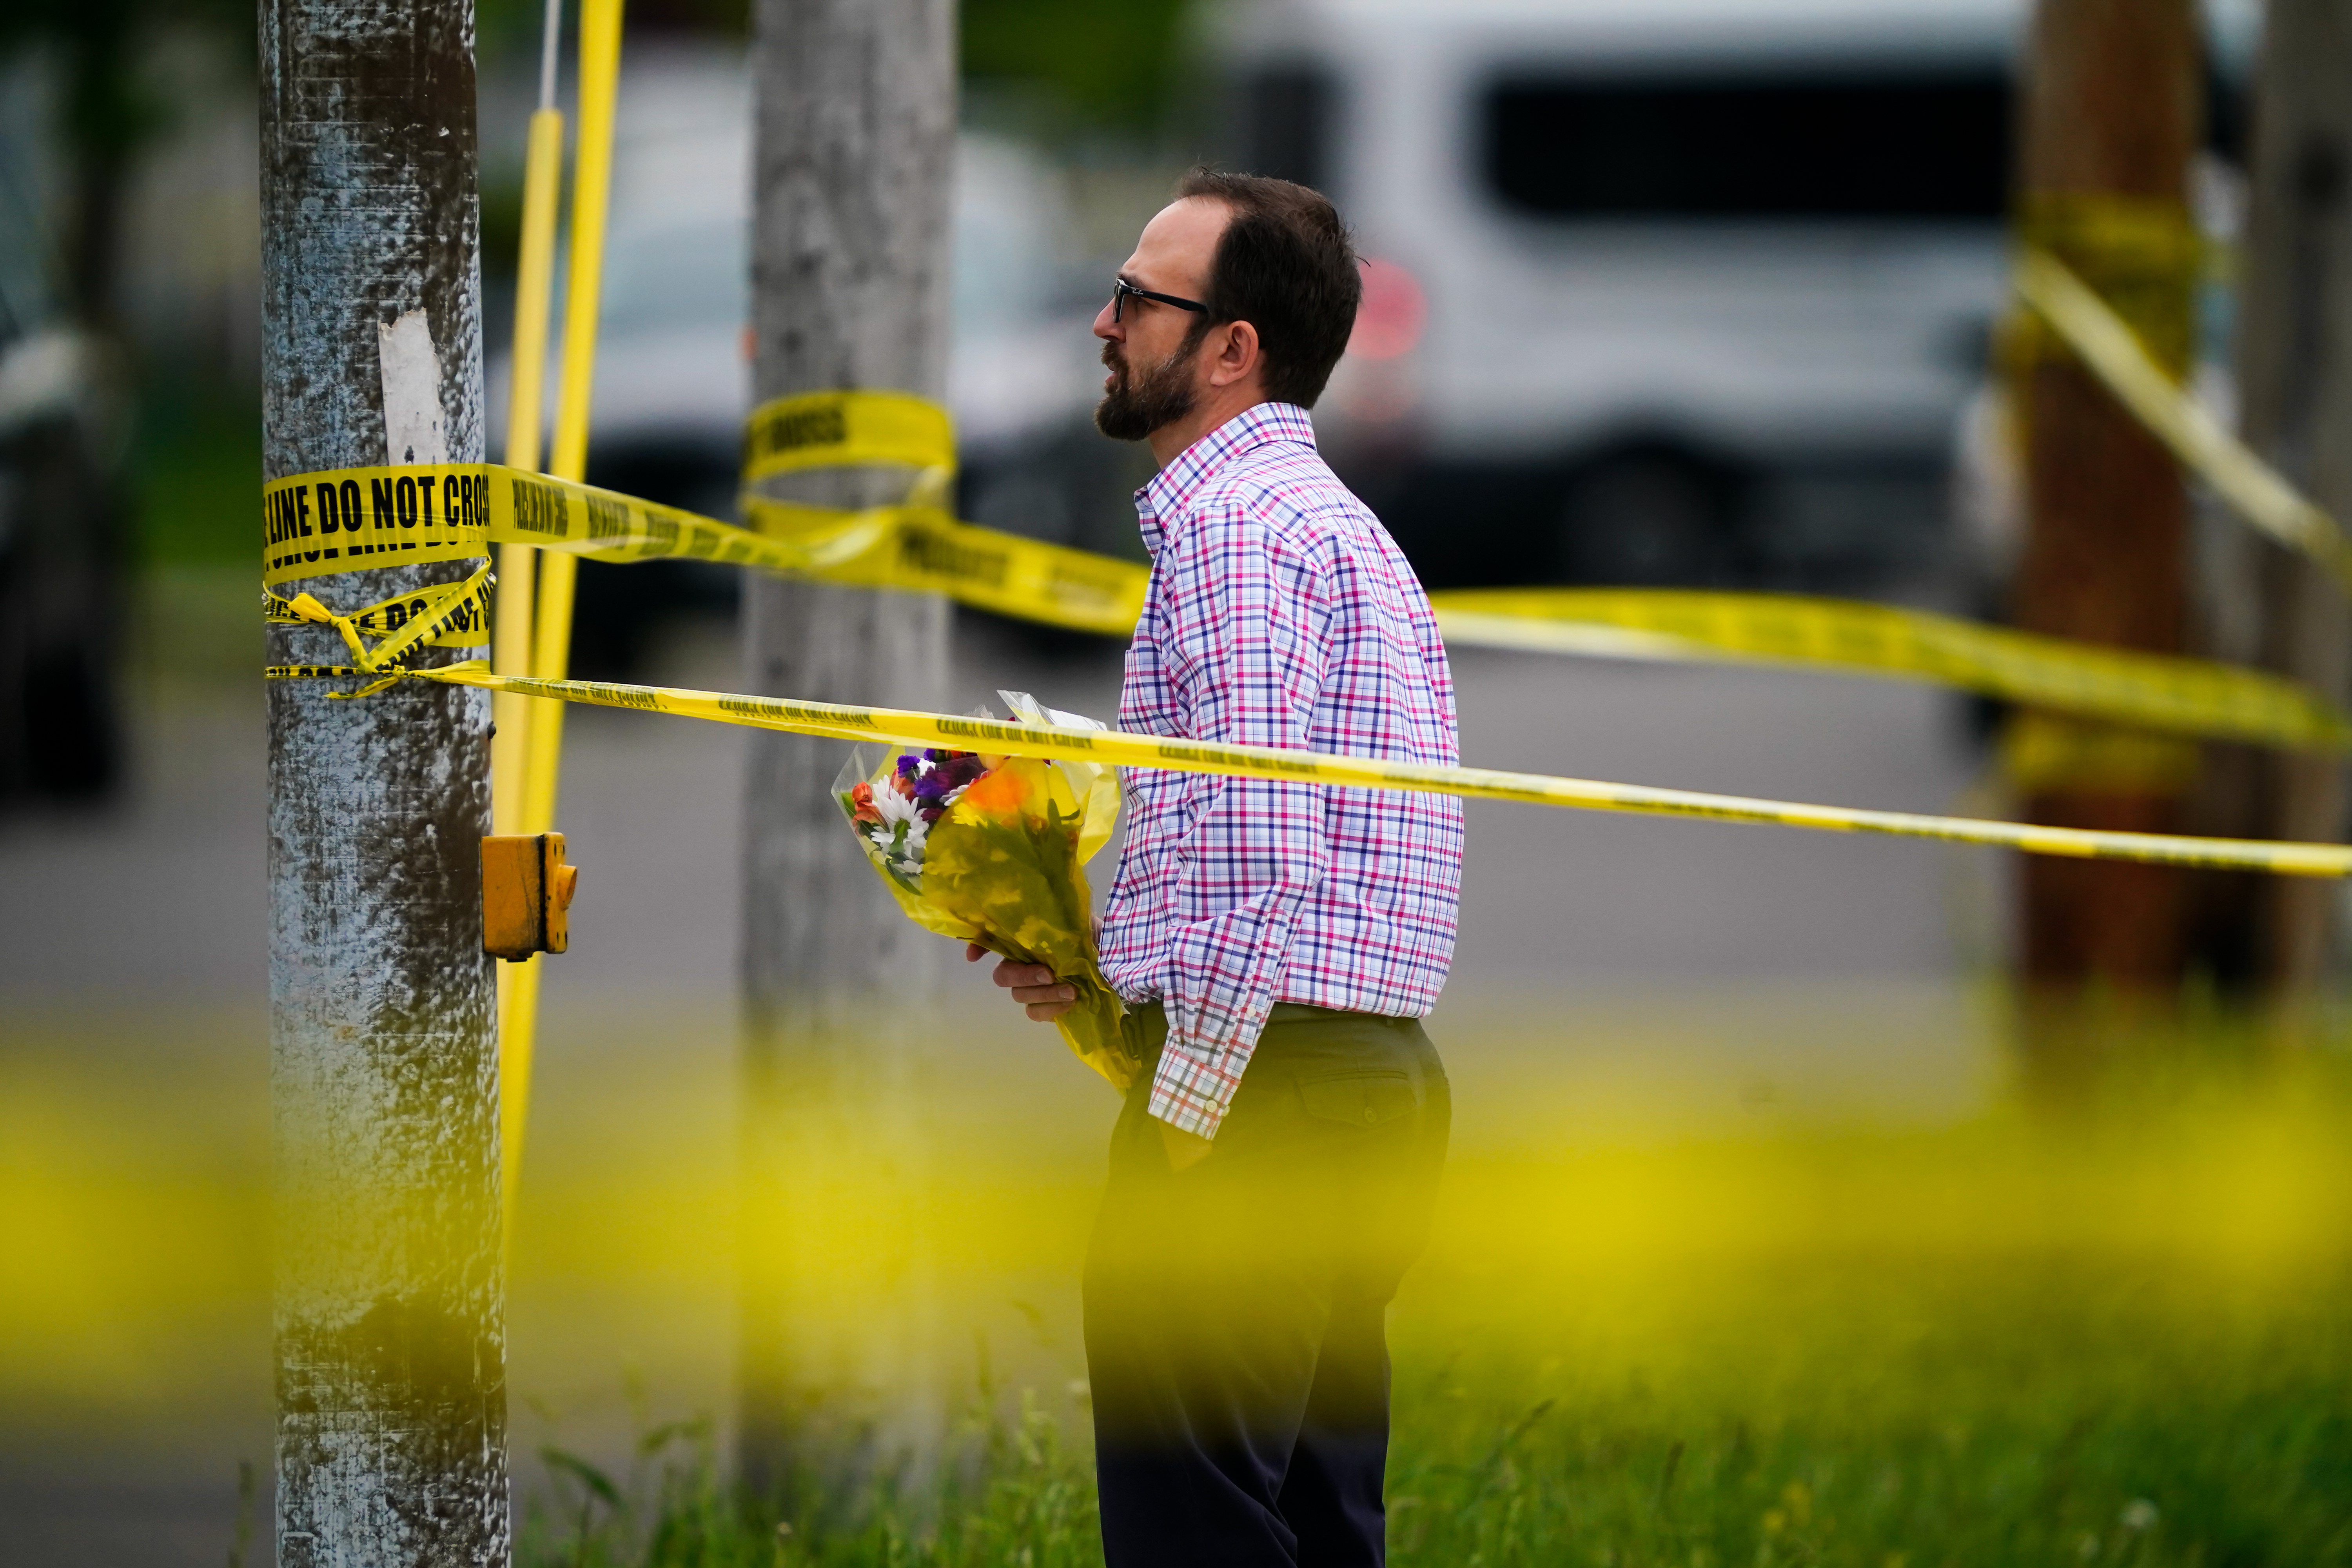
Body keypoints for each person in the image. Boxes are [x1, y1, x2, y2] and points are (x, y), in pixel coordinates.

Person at [969, 169, 1465, 1567]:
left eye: (1137, 297)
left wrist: (1182, 1116)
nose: (1102, 322)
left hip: (1267, 1096)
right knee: (1312, 1523)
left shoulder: (1239, 538)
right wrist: (1097, 975)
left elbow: (1263, 853)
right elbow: (1262, 849)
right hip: (1351, 1081)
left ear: (1233, 346)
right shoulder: (1323, 526)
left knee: (1196, 1529)